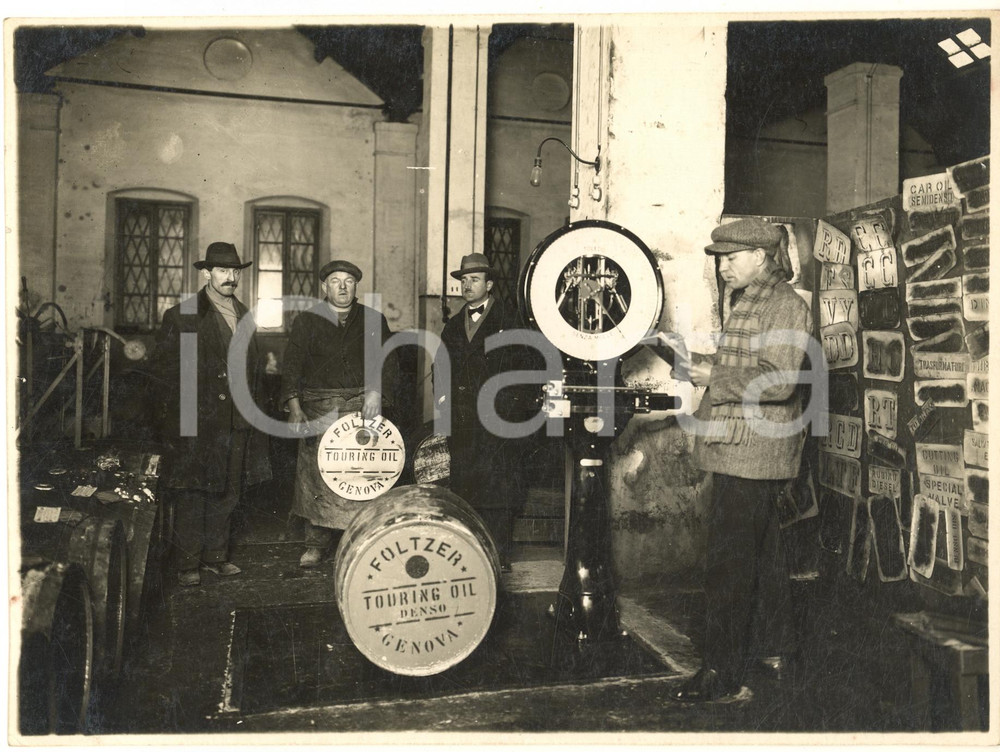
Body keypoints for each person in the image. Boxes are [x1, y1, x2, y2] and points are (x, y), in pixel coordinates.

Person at [673, 217, 812, 702]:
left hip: (754, 451)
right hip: (742, 446)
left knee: (730, 563)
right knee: (764, 554)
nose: (724, 267)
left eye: (732, 258)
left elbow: (779, 381)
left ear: (760, 257)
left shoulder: (783, 305)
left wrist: (713, 374)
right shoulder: (749, 301)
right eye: (721, 259)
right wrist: (710, 369)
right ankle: (781, 649)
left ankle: (722, 672)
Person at [153, 242, 272, 587]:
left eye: (235, 271)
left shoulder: (246, 315)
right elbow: (166, 379)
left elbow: (254, 371)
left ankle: (216, 556)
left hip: (237, 419)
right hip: (199, 421)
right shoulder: (183, 315)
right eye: (222, 270)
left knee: (229, 490)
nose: (230, 277)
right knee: (194, 490)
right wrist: (180, 427)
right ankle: (188, 562)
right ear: (206, 273)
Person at [281, 259, 397, 568]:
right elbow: (291, 365)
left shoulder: (373, 319)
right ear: (324, 286)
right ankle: (315, 543)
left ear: (356, 286)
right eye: (335, 281)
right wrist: (294, 407)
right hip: (318, 409)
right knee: (318, 476)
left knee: (360, 475)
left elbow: (388, 362)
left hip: (362, 408)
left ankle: (358, 539)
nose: (342, 286)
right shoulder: (306, 321)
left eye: (348, 280)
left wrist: (376, 392)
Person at [438, 253, 527, 572]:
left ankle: (500, 553)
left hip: (499, 418)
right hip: (462, 419)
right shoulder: (452, 326)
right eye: (463, 280)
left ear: (489, 284)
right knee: (465, 484)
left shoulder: (510, 319)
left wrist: (514, 410)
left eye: (474, 279)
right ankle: (470, 550)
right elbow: (442, 369)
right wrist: (444, 411)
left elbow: (526, 365)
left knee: (499, 486)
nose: (466, 285)